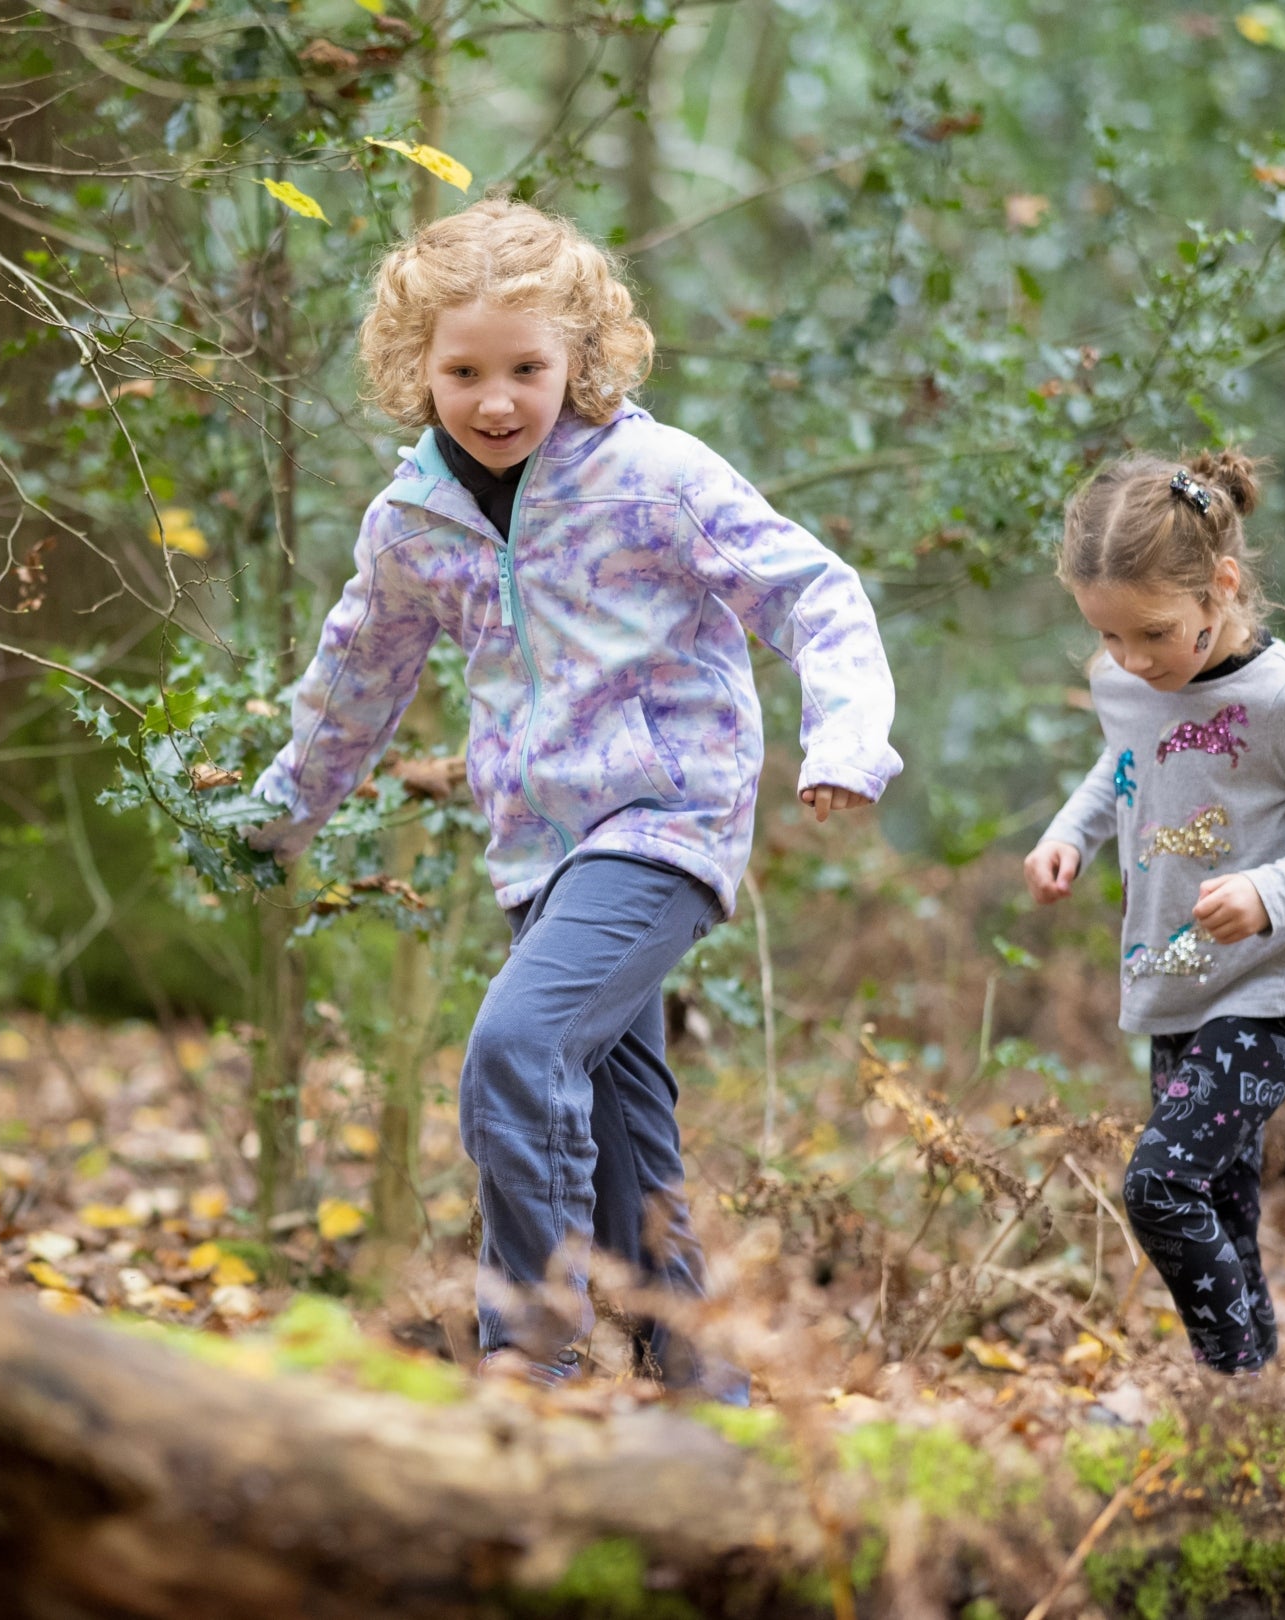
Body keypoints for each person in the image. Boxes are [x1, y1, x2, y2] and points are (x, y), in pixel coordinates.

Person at [241, 199, 902, 1397]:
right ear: (415, 368)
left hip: (664, 822)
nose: (497, 401)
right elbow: (358, 678)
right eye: (464, 372)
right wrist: (284, 810)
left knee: (516, 1045)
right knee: (629, 1161)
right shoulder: (412, 522)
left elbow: (813, 591)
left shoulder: (653, 479)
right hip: (533, 854)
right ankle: (717, 1414)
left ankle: (530, 1363)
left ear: (581, 357)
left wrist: (847, 736)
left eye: (528, 369)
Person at [1023, 451, 1285, 1375]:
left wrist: (1273, 894)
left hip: (1273, 999)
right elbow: (1125, 765)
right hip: (1173, 992)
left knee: (1159, 1188)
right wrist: (1074, 830)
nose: (1130, 661)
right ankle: (1264, 1402)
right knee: (1223, 1211)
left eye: (1153, 634)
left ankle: (1231, 1398)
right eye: (1108, 638)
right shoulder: (1127, 683)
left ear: (1221, 586)